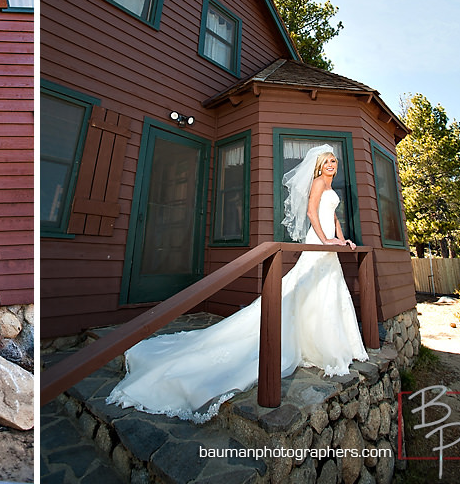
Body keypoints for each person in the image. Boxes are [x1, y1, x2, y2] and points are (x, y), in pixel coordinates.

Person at [106, 144, 369, 423]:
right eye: (327, 161)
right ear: (319, 165)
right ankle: (316, 344)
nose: (332, 165)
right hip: (318, 242)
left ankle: (328, 344)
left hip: (330, 245)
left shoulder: (332, 187)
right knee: (306, 288)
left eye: (334, 162)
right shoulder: (317, 182)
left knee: (327, 291)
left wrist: (342, 240)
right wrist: (326, 240)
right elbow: (312, 214)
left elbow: (333, 218)